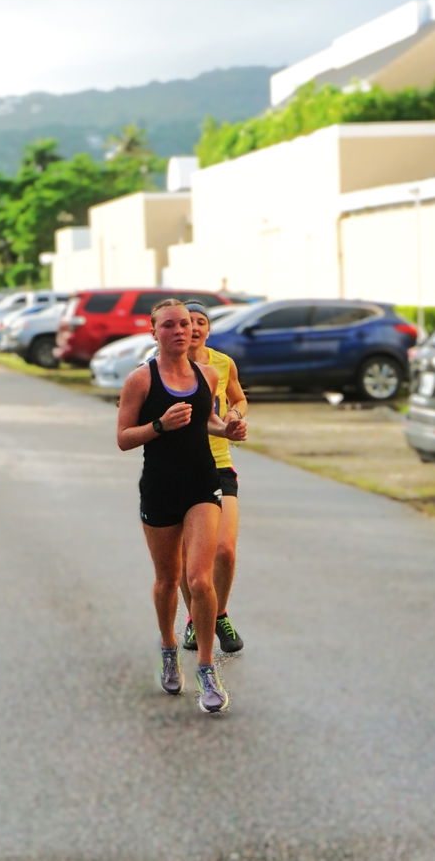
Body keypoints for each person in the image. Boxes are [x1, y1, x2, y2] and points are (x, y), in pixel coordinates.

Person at [116, 298, 247, 713]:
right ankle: (169, 648)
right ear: (154, 332)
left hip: (202, 484)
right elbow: (123, 437)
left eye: (186, 324)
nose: (180, 331)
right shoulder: (140, 380)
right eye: (169, 325)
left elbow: (206, 421)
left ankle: (207, 667)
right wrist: (159, 426)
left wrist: (228, 427)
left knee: (199, 579)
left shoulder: (208, 374)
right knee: (167, 579)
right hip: (159, 487)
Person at [179, 301, 248, 655]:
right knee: (187, 555)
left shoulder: (223, 363)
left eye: (200, 322)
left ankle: (217, 613)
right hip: (178, 465)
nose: (193, 328)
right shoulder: (163, 366)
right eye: (187, 322)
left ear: (208, 329)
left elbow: (238, 396)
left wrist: (235, 414)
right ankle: (194, 617)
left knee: (224, 550)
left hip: (219, 463)